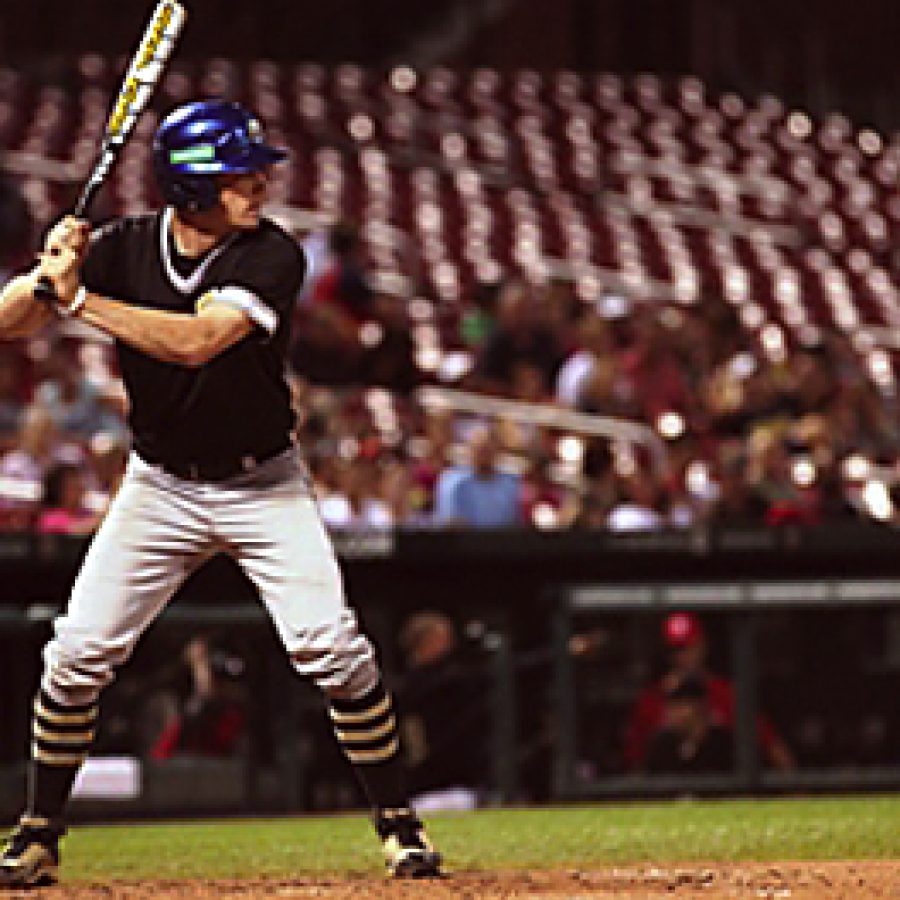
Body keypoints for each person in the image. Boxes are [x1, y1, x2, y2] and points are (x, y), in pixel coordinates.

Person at [0, 100, 441, 888]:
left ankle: (399, 828)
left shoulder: (272, 255)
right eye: (242, 171)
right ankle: (38, 833)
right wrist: (45, 274)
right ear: (193, 184)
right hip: (159, 485)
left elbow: (199, 341)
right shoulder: (126, 246)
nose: (261, 182)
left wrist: (77, 299)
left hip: (262, 482)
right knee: (74, 657)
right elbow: (6, 325)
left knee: (331, 649)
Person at [623, 611, 795, 774]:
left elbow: (771, 745)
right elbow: (635, 763)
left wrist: (794, 791)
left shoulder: (726, 694)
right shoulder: (650, 700)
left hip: (719, 791)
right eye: (675, 649)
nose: (682, 656)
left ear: (702, 645)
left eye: (688, 647)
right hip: (668, 795)